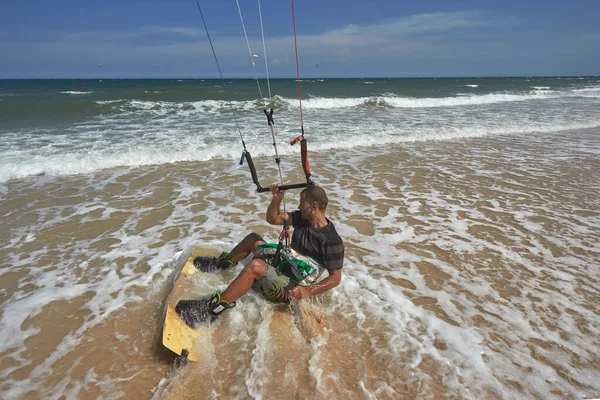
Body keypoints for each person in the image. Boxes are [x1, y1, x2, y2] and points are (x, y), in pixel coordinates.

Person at [176, 185, 344, 327]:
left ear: (314, 206)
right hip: (283, 266)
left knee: (254, 267)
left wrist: (307, 290)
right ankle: (221, 264)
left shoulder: (332, 241)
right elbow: (273, 218)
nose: (299, 207)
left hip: (290, 288)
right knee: (253, 239)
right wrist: (277, 198)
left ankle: (211, 311)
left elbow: (335, 278)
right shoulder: (303, 219)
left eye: (302, 204)